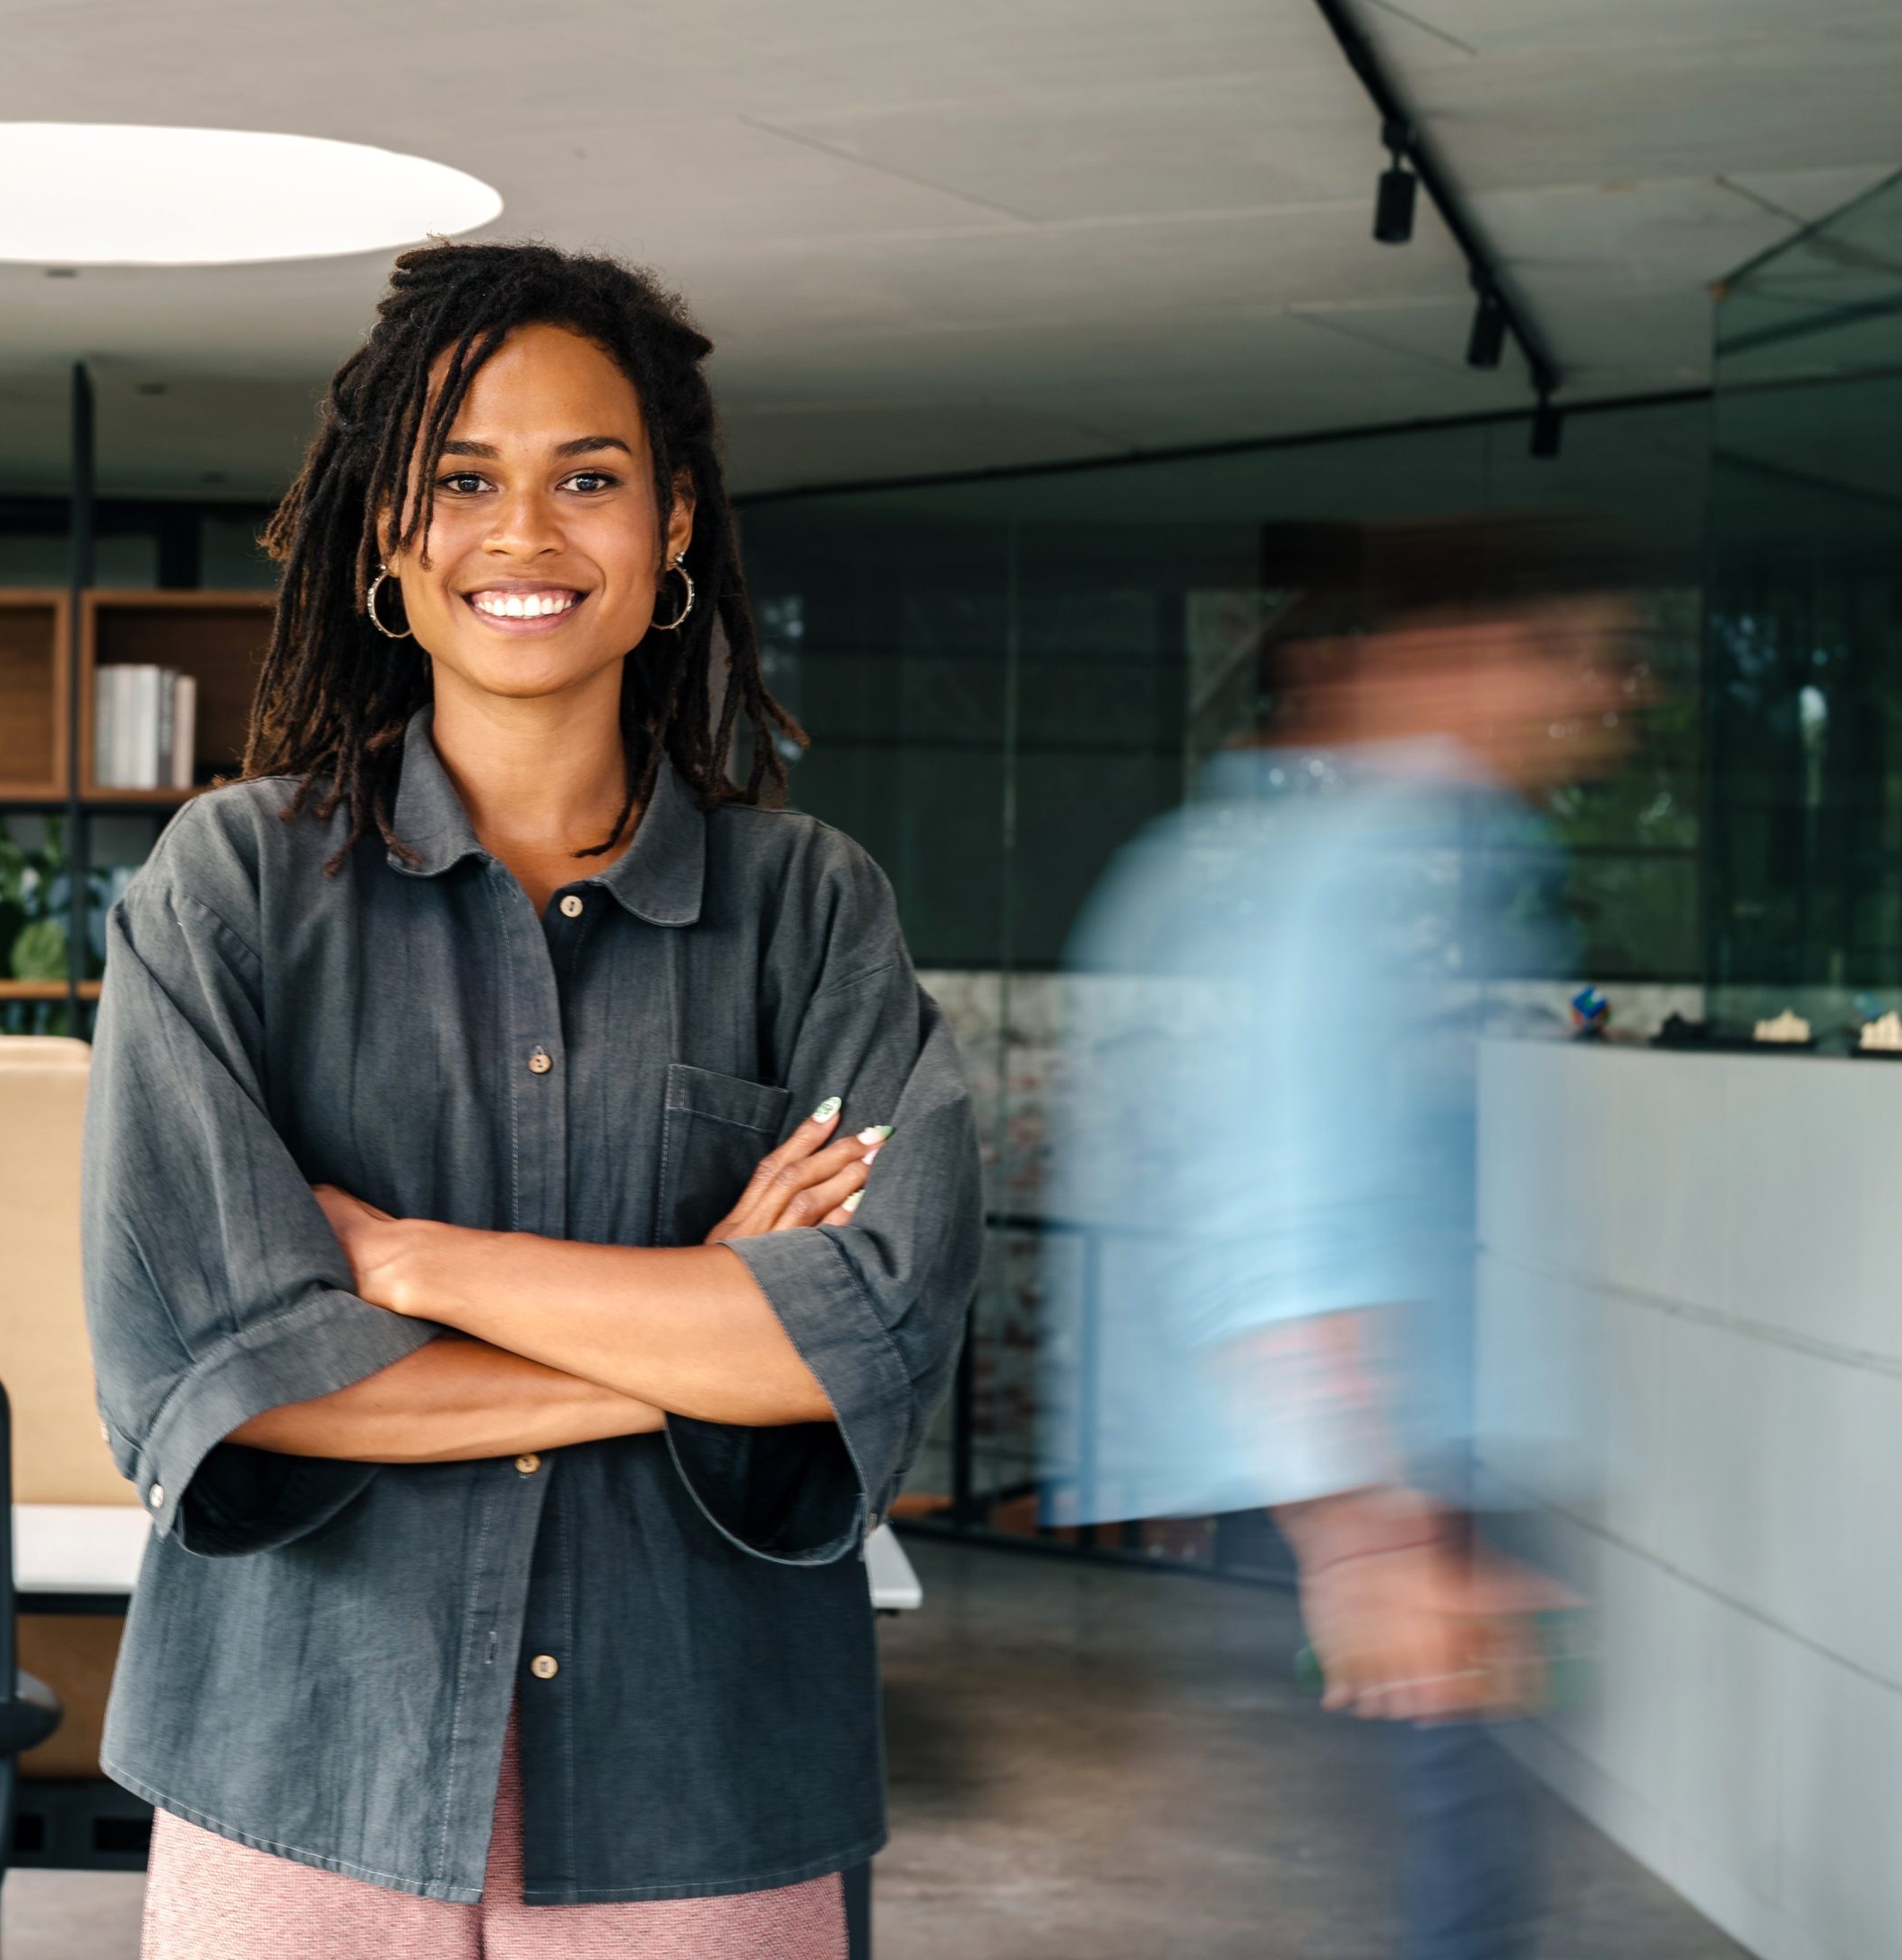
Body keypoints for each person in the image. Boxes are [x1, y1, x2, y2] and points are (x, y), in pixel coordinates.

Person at [84, 242, 980, 1957]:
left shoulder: (812, 912)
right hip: (299, 1776)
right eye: (462, 482)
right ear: (384, 542)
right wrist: (698, 1326)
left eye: (589, 477)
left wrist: (407, 1266)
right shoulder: (230, 891)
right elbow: (217, 1383)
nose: (524, 534)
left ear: (679, 529)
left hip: (701, 1789)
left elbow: (868, 1339)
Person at [1056, 518, 1645, 1960]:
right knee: (1447, 1904)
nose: (1609, 696)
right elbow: (1289, 1207)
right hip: (1372, 1484)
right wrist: (1376, 1536)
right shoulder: (1359, 878)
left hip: (1368, 1470)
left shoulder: (1335, 856)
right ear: (1432, 659)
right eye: (1566, 654)